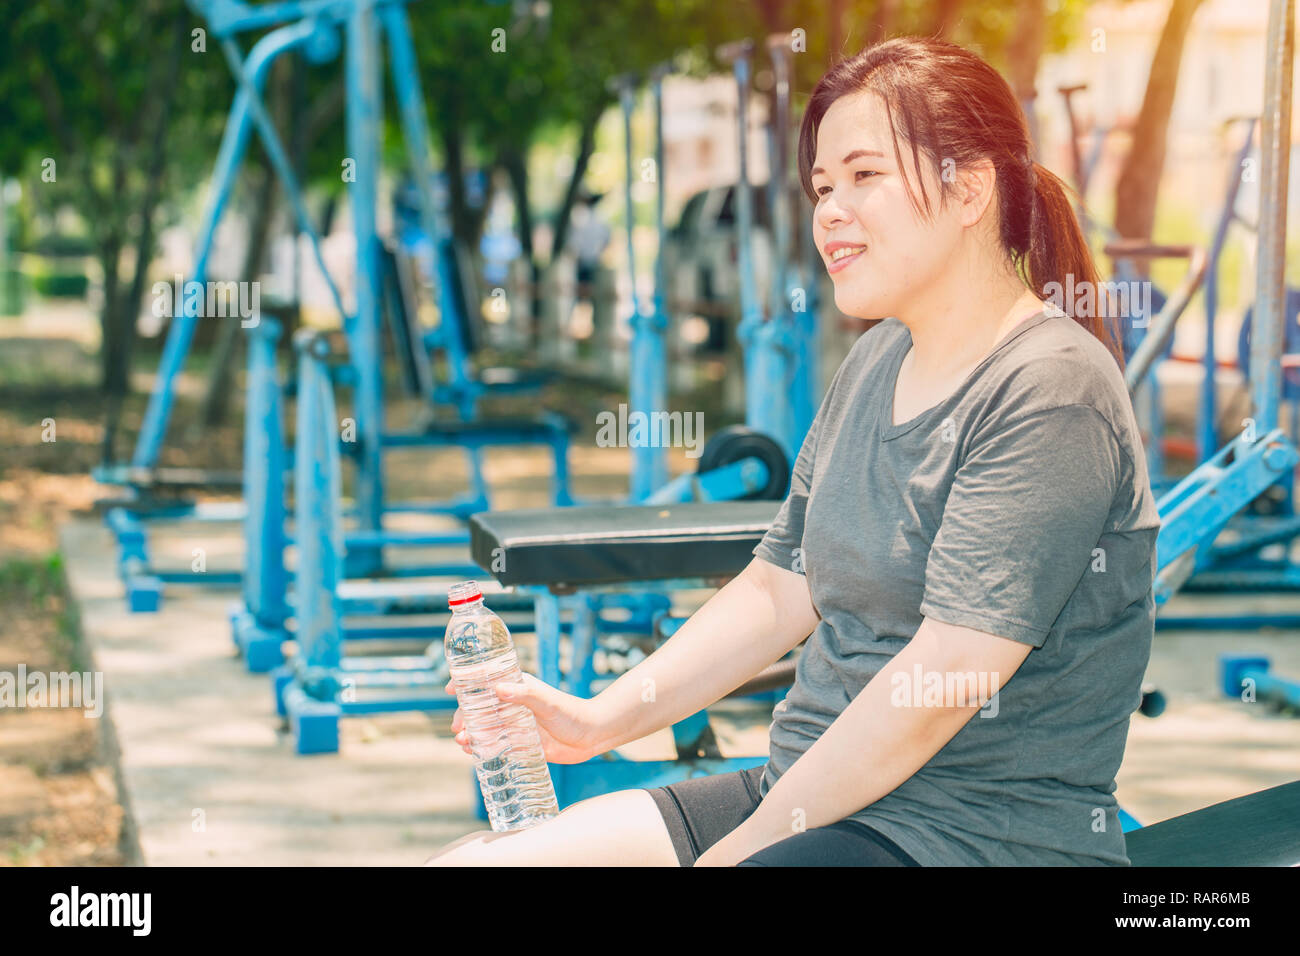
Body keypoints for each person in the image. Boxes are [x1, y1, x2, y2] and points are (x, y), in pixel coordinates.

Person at [425, 35, 1159, 867]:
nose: (830, 211)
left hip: (969, 836)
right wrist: (599, 722)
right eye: (822, 186)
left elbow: (945, 677)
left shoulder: (1049, 385)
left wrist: (744, 851)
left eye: (864, 176)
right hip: (809, 789)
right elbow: (780, 588)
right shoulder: (880, 356)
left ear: (971, 191)